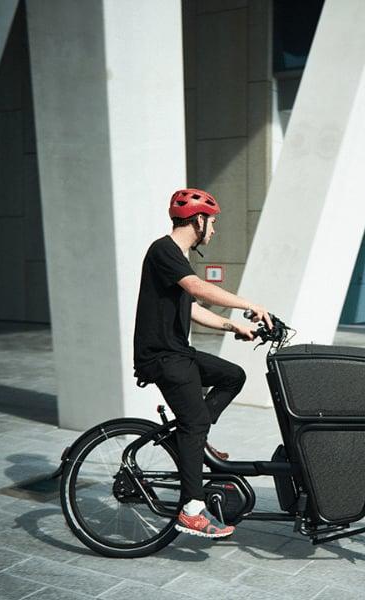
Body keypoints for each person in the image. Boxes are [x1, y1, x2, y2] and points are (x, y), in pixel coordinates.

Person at [133, 188, 272, 539]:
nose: (213, 230)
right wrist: (247, 304)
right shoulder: (163, 249)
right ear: (198, 220)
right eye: (212, 223)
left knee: (232, 376)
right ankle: (192, 509)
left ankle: (195, 439)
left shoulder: (177, 257)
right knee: (193, 421)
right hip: (162, 355)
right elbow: (197, 289)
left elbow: (190, 307)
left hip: (178, 351)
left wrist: (233, 324)